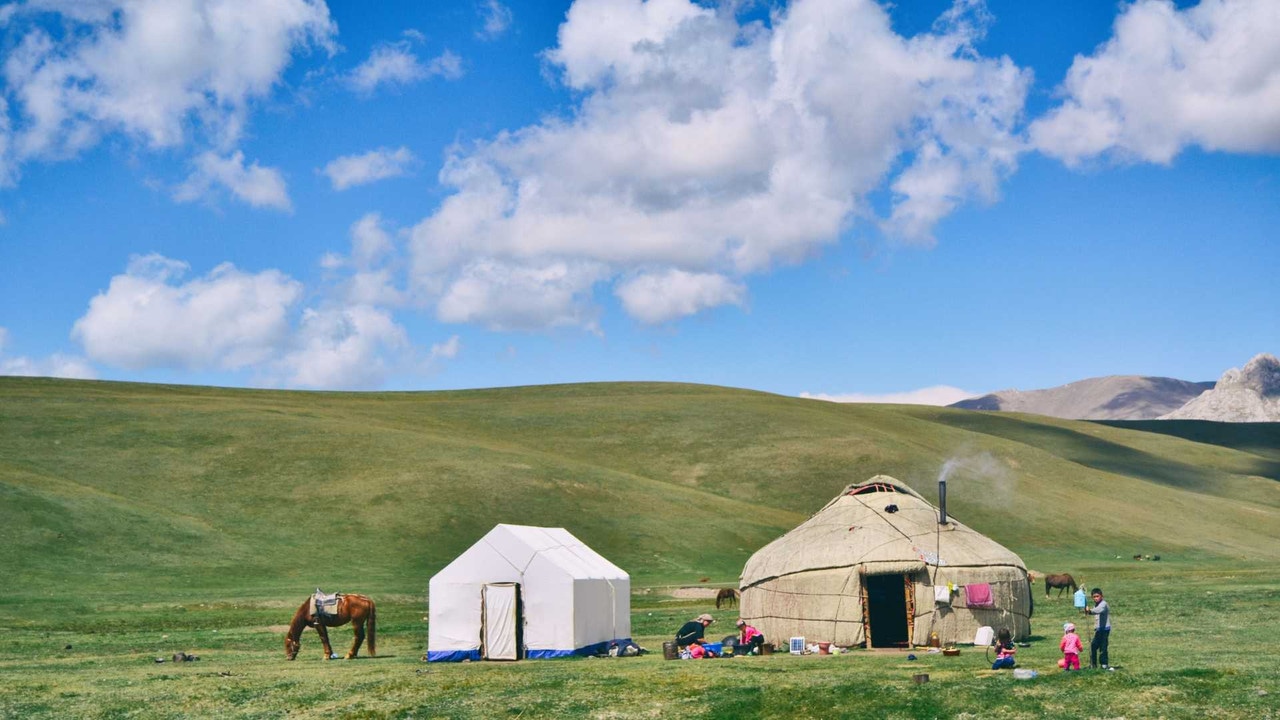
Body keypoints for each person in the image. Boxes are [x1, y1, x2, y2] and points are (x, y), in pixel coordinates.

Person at [1083, 587, 1113, 670]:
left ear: (1101, 596)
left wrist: (1089, 611)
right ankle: (1093, 664)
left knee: (1103, 647)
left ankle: (1104, 664)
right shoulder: (1096, 605)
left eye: (1097, 596)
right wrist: (1087, 611)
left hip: (1105, 630)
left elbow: (1098, 610)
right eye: (1094, 597)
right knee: (1093, 646)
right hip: (1099, 630)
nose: (1096, 598)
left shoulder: (1103, 604)